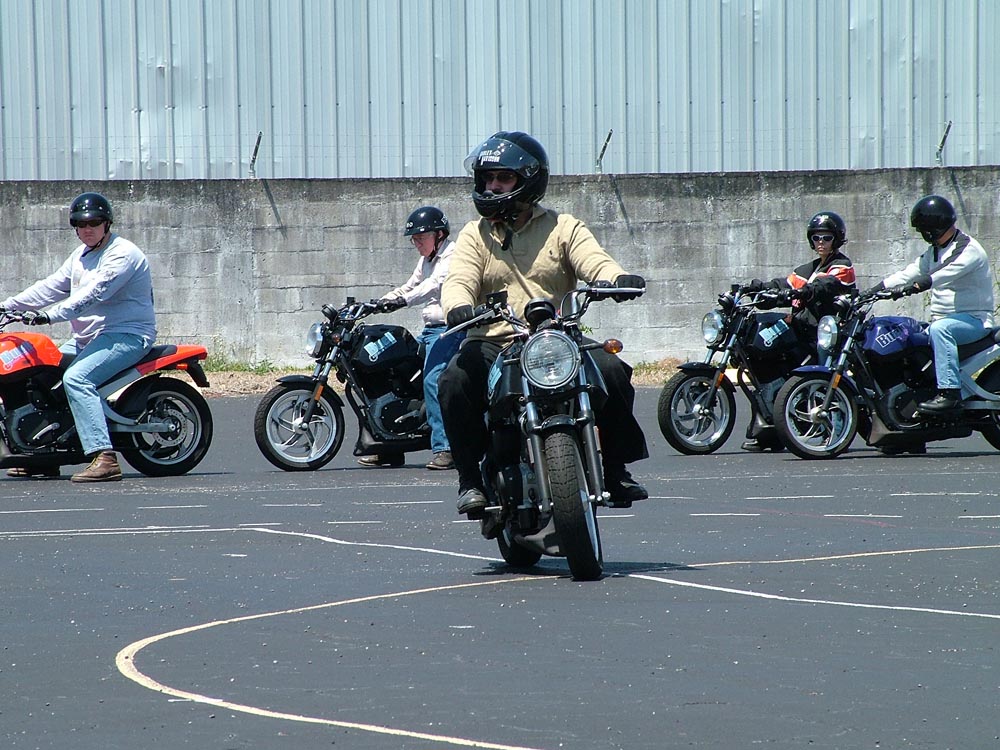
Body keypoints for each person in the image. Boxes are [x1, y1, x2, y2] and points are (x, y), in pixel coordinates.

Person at [438, 130, 649, 517]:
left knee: (612, 370)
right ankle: (470, 479)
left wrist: (615, 279)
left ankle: (615, 469)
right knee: (454, 380)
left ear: (528, 181)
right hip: (495, 341)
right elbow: (459, 280)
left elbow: (595, 261)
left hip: (557, 338)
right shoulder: (474, 234)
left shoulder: (563, 227)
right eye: (488, 178)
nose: (493, 186)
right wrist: (457, 306)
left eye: (503, 178)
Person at [0, 192, 156, 482]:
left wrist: (48, 316)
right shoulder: (81, 256)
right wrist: (8, 306)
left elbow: (92, 296)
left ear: (107, 223)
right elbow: (50, 287)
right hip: (88, 339)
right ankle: (43, 455)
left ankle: (104, 457)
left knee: (76, 379)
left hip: (126, 335)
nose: (87, 229)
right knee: (39, 373)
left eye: (94, 223)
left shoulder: (122, 254)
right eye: (80, 224)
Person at [866, 194, 994, 420]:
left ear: (931, 227)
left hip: (974, 320)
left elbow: (943, 273)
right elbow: (911, 271)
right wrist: (874, 290)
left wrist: (915, 286)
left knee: (940, 330)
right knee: (907, 336)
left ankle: (950, 394)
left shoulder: (967, 249)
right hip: (945, 320)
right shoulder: (935, 249)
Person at [740, 211, 857, 452]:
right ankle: (770, 430)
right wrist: (758, 288)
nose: (821, 242)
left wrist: (806, 291)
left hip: (829, 336)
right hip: (803, 332)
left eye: (826, 237)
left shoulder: (842, 266)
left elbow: (825, 285)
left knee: (826, 378)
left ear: (836, 239)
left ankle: (835, 430)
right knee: (766, 356)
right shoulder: (807, 268)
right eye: (816, 238)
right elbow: (785, 284)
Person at [359, 206, 465, 470]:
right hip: (430, 331)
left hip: (449, 330)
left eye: (421, 237)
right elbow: (410, 285)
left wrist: (402, 301)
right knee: (394, 373)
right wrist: (377, 303)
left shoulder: (453, 256)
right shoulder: (426, 260)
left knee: (432, 379)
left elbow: (432, 286)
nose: (417, 243)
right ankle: (389, 446)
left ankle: (445, 449)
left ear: (439, 235)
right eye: (414, 239)